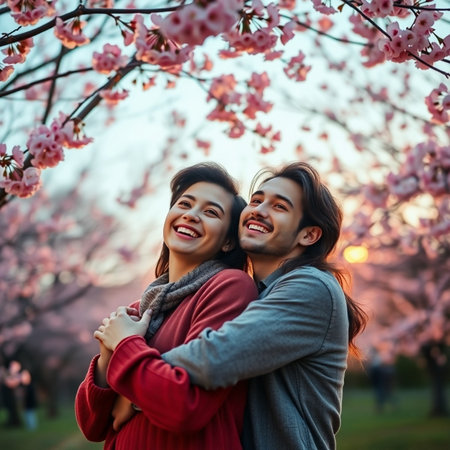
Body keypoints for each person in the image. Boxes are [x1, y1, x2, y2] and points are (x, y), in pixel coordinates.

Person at [162, 162, 368, 450]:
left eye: (279, 207)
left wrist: (127, 377)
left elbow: (214, 357)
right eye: (257, 200)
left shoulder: (311, 287)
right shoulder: (255, 292)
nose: (258, 210)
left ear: (308, 235)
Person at [75, 163, 258, 449]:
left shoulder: (230, 287)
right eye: (185, 203)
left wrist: (125, 344)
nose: (191, 215)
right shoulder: (143, 307)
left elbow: (186, 407)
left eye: (210, 212)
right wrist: (106, 357)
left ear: (227, 242)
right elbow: (92, 425)